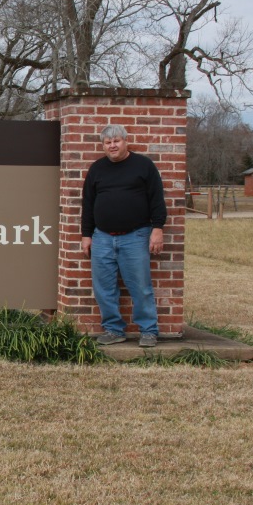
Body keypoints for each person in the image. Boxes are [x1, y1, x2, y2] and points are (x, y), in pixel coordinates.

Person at [81, 125, 166, 348]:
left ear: (125, 141)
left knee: (140, 286)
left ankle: (148, 330)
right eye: (107, 143)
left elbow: (157, 199)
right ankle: (113, 329)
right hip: (102, 238)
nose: (112, 145)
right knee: (104, 288)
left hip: (135, 235)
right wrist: (86, 235)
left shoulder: (143, 165)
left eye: (116, 141)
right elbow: (88, 204)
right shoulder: (97, 169)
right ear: (103, 146)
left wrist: (158, 229)